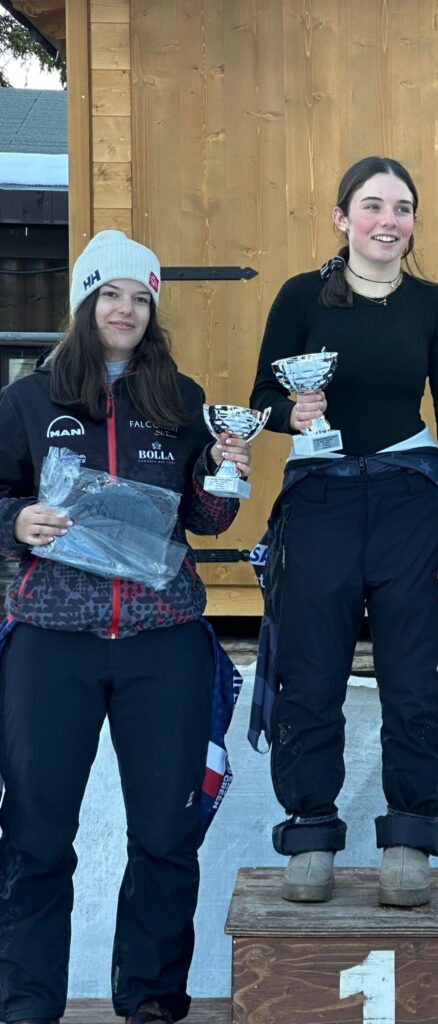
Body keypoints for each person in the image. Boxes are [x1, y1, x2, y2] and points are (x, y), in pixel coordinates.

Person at [0, 230, 252, 1024]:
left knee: (166, 838)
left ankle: (150, 1002)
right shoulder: (28, 399)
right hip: (52, 644)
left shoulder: (182, 398)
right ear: (84, 302)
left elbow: (207, 519)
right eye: (111, 294)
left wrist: (226, 476)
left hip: (163, 644)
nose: (126, 309)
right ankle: (26, 1005)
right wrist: (17, 520)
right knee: (35, 837)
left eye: (141, 298)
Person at [249, 155, 438, 907]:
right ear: (342, 218)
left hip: (412, 502)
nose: (389, 220)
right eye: (373, 205)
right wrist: (291, 413)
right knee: (311, 672)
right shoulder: (300, 296)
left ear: (413, 223)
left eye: (402, 208)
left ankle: (410, 835)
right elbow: (261, 396)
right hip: (321, 503)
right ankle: (310, 831)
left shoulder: (435, 306)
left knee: (415, 675)